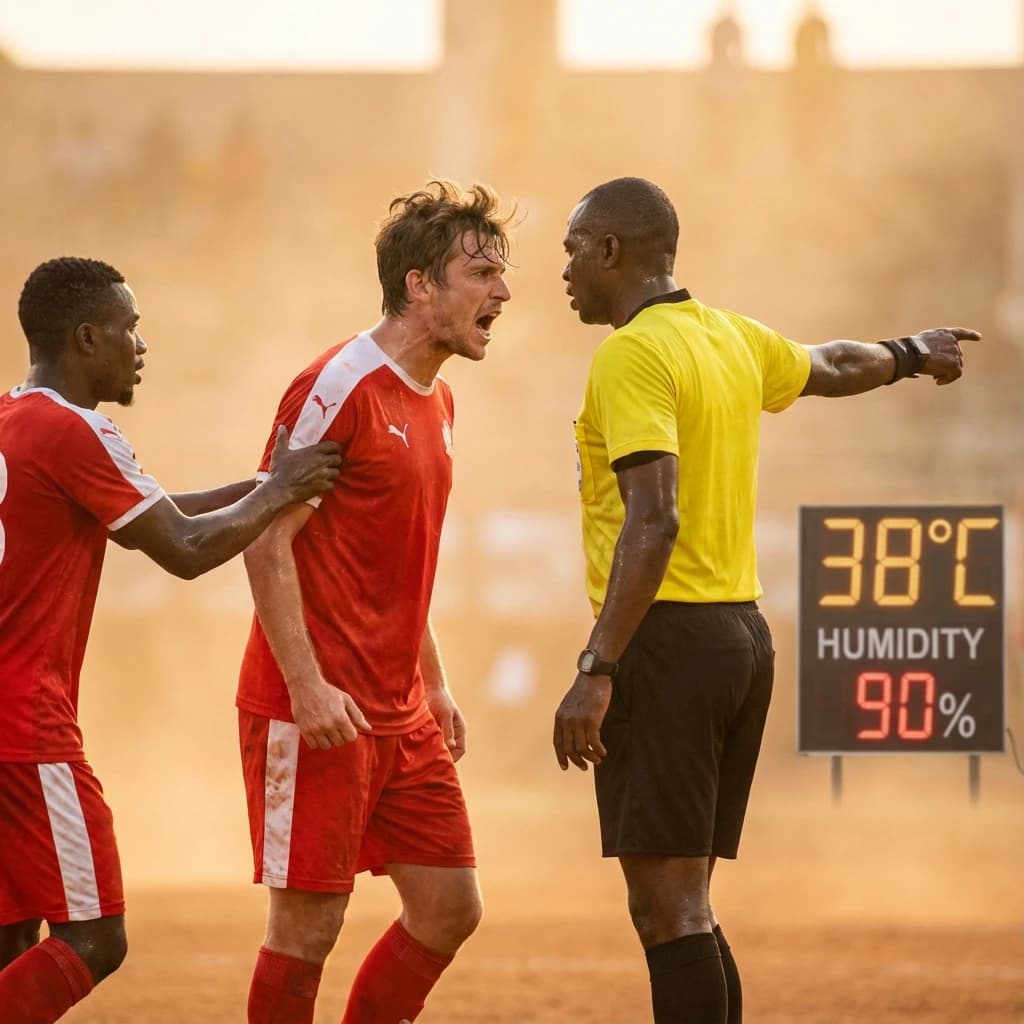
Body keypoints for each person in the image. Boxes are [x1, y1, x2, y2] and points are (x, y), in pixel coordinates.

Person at [553, 177, 978, 1024]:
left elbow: (656, 519)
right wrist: (907, 351)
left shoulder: (632, 353)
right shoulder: (728, 336)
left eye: (571, 248)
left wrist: (598, 667)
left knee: (666, 910)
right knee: (692, 908)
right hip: (739, 639)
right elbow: (830, 365)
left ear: (611, 249)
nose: (561, 269)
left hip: (666, 640)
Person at [0, 257, 341, 1023]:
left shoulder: (14, 417)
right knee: (94, 938)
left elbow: (154, 512)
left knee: (15, 936)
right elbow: (183, 549)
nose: (141, 345)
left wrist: (268, 483)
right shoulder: (77, 428)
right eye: (129, 328)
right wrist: (283, 491)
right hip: (26, 727)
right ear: (86, 337)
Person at [236, 179, 512, 1024]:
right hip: (313, 704)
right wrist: (309, 686)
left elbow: (397, 559)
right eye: (481, 272)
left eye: (502, 273)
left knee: (449, 908)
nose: (502, 291)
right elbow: (263, 536)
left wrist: (433, 681)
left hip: (398, 709)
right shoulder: (336, 385)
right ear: (419, 285)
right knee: (307, 928)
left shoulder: (443, 397)